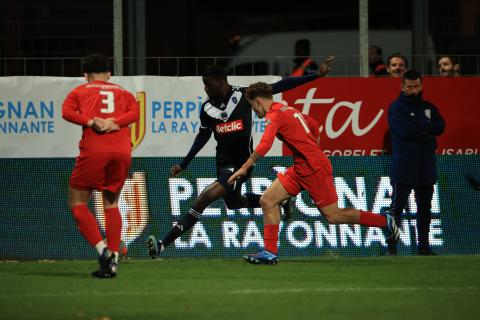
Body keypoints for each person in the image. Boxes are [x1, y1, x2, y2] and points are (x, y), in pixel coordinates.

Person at [147, 57, 335, 258]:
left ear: (220, 81)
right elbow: (202, 137)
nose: (205, 89)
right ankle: (281, 202)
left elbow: (282, 84)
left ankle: (162, 244)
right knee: (234, 202)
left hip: (241, 164)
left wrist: (317, 75)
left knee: (203, 199)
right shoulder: (207, 109)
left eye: (207, 84)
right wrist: (184, 164)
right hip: (223, 163)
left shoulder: (244, 95)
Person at [227, 82, 400, 265]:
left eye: (253, 107)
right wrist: (311, 150)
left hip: (315, 169)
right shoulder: (288, 109)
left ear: (258, 102)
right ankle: (270, 252)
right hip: (301, 167)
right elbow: (315, 125)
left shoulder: (274, 115)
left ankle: (384, 221)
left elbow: (265, 144)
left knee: (333, 216)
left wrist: (245, 167)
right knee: (267, 200)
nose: (254, 112)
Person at [62, 54, 139, 278]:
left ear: (85, 75)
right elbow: (135, 113)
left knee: (77, 202)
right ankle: (113, 260)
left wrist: (91, 121)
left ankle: (102, 251)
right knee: (111, 203)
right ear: (109, 74)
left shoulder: (79, 91)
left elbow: (66, 112)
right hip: (122, 150)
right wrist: (115, 122)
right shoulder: (123, 92)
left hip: (95, 149)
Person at [387, 70, 445, 256]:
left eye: (416, 86)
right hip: (404, 165)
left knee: (425, 209)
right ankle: (392, 245)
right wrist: (429, 136)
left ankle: (424, 246)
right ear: (403, 87)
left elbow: (440, 126)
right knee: (397, 208)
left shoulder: (428, 107)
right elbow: (406, 132)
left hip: (426, 165)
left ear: (421, 85)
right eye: (410, 86)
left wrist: (419, 125)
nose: (413, 90)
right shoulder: (396, 108)